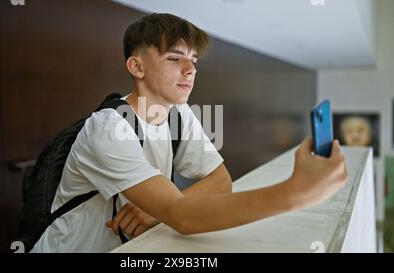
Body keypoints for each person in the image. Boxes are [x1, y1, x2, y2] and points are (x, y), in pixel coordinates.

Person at [31, 13, 348, 253]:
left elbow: (220, 180)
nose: (190, 69)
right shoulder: (108, 129)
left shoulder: (178, 114)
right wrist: (295, 192)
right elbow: (182, 216)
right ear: (137, 67)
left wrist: (157, 210)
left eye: (193, 60)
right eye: (174, 58)